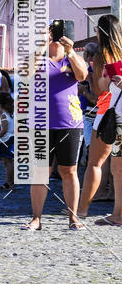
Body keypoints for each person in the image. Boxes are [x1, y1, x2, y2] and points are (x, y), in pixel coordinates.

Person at [25, 24, 87, 231]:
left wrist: (70, 52)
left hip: (70, 123)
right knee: (41, 172)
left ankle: (73, 218)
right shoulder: (37, 57)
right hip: (41, 123)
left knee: (69, 170)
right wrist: (40, 47)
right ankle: (36, 218)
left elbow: (82, 76)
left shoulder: (72, 58)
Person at [76, 15, 122, 220]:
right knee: (118, 167)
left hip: (107, 113)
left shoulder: (102, 56)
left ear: (100, 31)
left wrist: (90, 79)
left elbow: (99, 92)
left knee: (95, 163)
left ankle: (81, 210)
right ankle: (117, 214)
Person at [78, 42, 98, 168]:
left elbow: (96, 99)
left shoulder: (91, 71)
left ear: (87, 55)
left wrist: (84, 91)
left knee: (92, 149)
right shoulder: (92, 70)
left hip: (90, 113)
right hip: (88, 112)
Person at [0, 91, 14, 190]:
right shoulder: (13, 114)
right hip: (13, 139)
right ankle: (12, 181)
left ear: (0, 105)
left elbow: (4, 130)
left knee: (7, 163)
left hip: (6, 140)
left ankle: (8, 183)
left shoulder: (3, 115)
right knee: (11, 161)